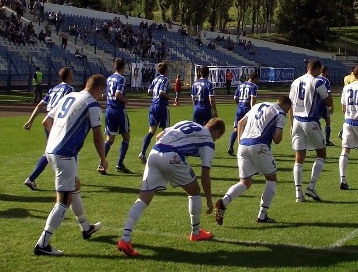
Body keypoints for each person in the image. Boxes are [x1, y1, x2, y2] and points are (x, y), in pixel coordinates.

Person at [117, 118, 226, 257]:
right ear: (217, 132)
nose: (216, 140)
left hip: (155, 152)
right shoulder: (208, 141)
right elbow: (205, 174)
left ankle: (125, 238)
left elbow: (158, 136)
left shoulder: (186, 122)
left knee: (143, 199)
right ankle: (196, 232)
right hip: (171, 156)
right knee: (194, 191)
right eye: (218, 137)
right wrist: (209, 200)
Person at [33, 74, 108, 256]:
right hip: (64, 154)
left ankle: (85, 227)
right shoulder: (92, 104)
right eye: (103, 92)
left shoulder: (69, 96)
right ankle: (43, 244)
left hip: (51, 150)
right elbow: (97, 136)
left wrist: (59, 136)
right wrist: (103, 159)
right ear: (98, 89)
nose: (103, 96)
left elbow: (46, 121)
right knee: (64, 200)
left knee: (75, 186)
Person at [215, 97, 292, 225]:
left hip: (243, 145)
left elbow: (240, 123)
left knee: (245, 182)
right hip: (259, 145)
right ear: (285, 104)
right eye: (288, 109)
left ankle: (223, 202)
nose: (288, 111)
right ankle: (262, 215)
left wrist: (240, 142)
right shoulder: (280, 113)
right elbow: (277, 139)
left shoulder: (258, 105)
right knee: (271, 179)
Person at [22, 67, 75, 190]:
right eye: (71, 74)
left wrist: (30, 120)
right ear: (68, 76)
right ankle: (31, 178)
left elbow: (40, 105)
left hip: (48, 120)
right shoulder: (69, 90)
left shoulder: (53, 89)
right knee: (63, 149)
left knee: (54, 150)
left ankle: (71, 177)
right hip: (58, 122)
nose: (73, 76)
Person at [288, 59, 331, 201]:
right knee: (321, 153)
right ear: (318, 69)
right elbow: (329, 101)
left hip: (297, 121)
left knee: (299, 157)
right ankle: (311, 187)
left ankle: (298, 193)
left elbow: (291, 106)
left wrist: (291, 125)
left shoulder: (295, 82)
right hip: (310, 120)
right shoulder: (318, 81)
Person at [101, 58, 132, 174]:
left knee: (109, 139)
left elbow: (105, 95)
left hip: (109, 110)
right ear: (123, 67)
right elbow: (118, 94)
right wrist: (125, 100)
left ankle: (101, 164)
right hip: (118, 110)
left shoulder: (109, 78)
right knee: (126, 137)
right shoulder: (121, 78)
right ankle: (119, 164)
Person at [139, 62, 170, 163]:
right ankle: (164, 154)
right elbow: (161, 92)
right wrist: (169, 97)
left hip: (153, 106)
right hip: (161, 106)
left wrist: (154, 95)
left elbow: (149, 91)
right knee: (167, 131)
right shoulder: (165, 79)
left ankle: (142, 152)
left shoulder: (155, 79)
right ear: (166, 70)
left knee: (151, 131)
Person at [228, 70, 259, 156]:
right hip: (247, 109)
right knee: (249, 128)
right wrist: (253, 110)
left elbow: (235, 98)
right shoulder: (254, 86)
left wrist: (239, 105)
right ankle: (247, 148)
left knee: (236, 128)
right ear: (254, 78)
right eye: (257, 79)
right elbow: (253, 98)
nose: (258, 81)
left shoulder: (240, 85)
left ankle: (230, 146)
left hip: (240, 109)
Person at [316, 65, 335, 146]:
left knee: (315, 121)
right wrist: (332, 105)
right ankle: (327, 141)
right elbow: (329, 94)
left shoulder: (315, 78)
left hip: (315, 103)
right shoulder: (326, 80)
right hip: (324, 103)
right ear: (326, 71)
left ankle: (316, 140)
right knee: (327, 121)